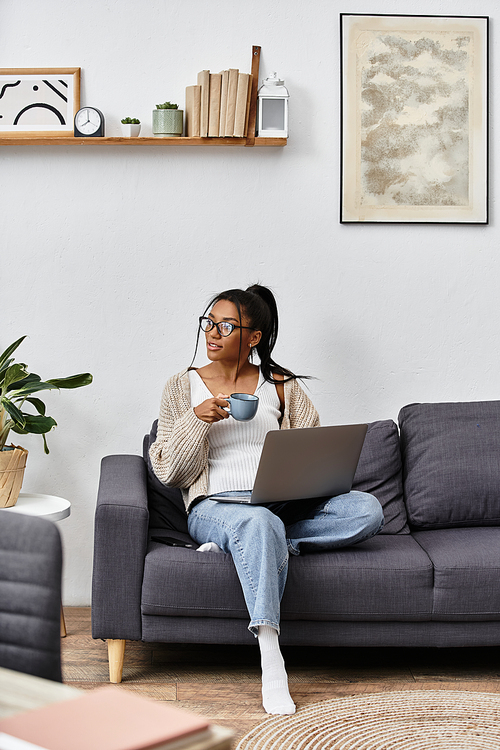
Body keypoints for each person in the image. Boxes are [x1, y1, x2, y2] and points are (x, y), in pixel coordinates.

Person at [149, 284, 384, 715]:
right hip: (216, 507)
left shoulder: (281, 387)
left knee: (367, 510)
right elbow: (169, 471)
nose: (212, 333)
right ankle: (271, 657)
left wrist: (299, 483)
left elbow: (312, 456)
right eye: (209, 323)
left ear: (253, 338)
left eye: (225, 325)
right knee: (257, 524)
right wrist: (196, 421)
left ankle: (260, 546)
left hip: (279, 505)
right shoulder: (182, 387)